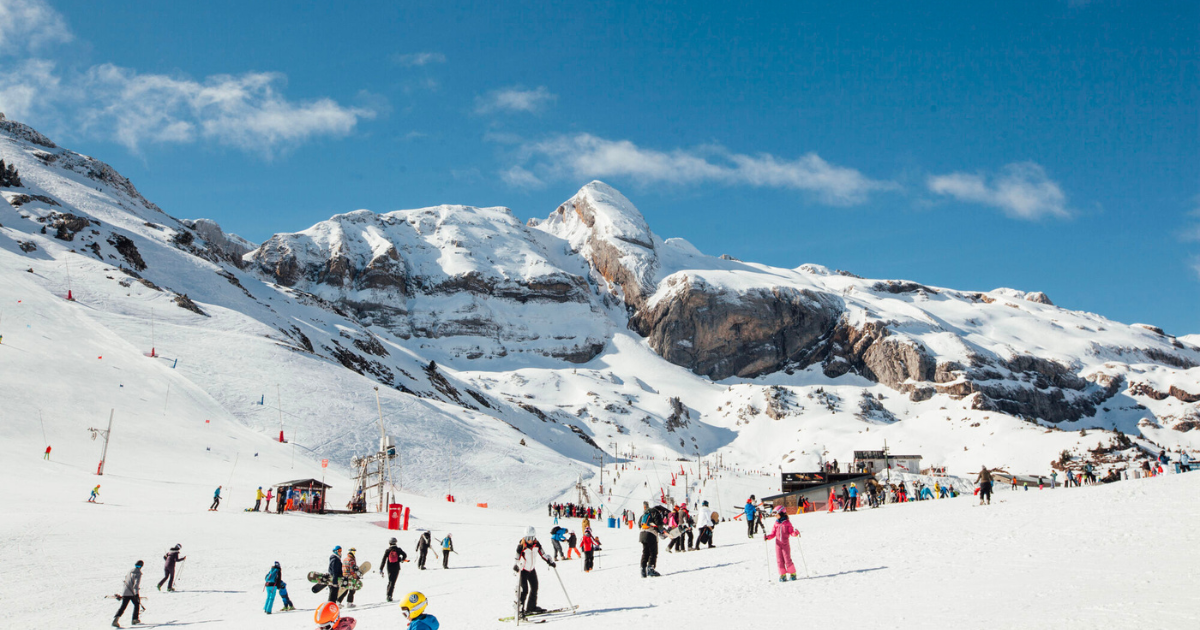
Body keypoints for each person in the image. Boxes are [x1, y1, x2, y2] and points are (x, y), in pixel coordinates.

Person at [514, 526, 556, 617]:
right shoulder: (521, 546)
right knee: (524, 590)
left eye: (531, 538)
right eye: (528, 538)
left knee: (535, 588)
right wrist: (516, 565)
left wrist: (549, 561)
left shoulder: (537, 544)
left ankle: (531, 607)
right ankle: (520, 610)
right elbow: (516, 558)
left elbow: (543, 554)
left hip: (531, 569)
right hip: (523, 570)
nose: (530, 540)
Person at [764, 506, 800, 581]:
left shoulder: (787, 523)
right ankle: (782, 575)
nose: (775, 516)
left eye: (776, 514)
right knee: (779, 560)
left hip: (785, 544)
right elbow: (773, 534)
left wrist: (795, 533)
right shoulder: (776, 523)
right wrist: (768, 537)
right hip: (778, 545)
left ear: (781, 513)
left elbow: (791, 532)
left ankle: (793, 574)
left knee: (787, 559)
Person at [639, 499, 667, 578]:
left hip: (642, 534)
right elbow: (659, 525)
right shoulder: (656, 513)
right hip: (651, 534)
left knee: (645, 552)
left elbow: (639, 524)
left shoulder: (645, 513)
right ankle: (651, 569)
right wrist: (662, 531)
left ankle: (643, 569)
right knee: (653, 552)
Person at [112, 560, 143, 628]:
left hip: (125, 591)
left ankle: (116, 619)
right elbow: (136, 585)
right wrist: (136, 594)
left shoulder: (130, 571)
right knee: (137, 604)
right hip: (132, 592)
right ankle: (134, 619)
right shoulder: (138, 573)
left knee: (123, 606)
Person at [380, 537, 408, 601]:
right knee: (393, 582)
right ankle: (389, 596)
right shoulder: (398, 549)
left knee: (390, 581)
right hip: (396, 567)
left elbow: (383, 560)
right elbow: (405, 555)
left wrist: (381, 568)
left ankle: (388, 594)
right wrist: (401, 559)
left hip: (389, 567)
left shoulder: (388, 550)